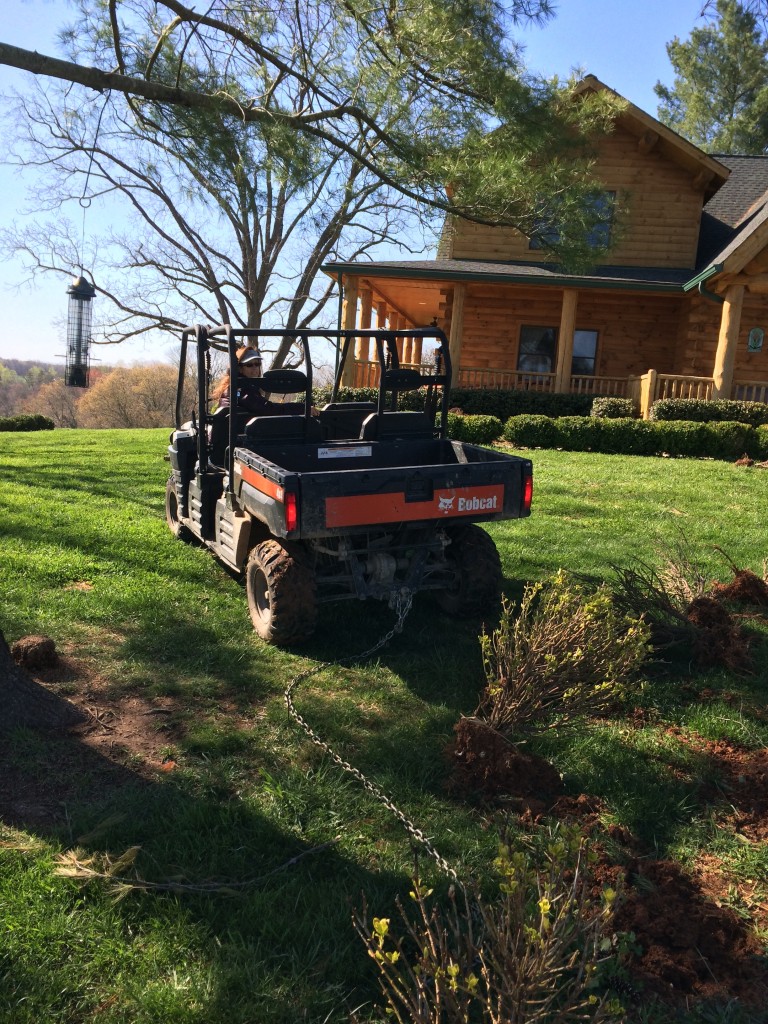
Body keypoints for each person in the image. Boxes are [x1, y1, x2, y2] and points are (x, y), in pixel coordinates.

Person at [212, 346, 305, 416]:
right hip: (231, 438)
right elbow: (268, 409)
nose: (255, 368)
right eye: (249, 365)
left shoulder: (246, 387)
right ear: (239, 368)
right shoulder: (241, 389)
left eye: (257, 364)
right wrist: (303, 408)